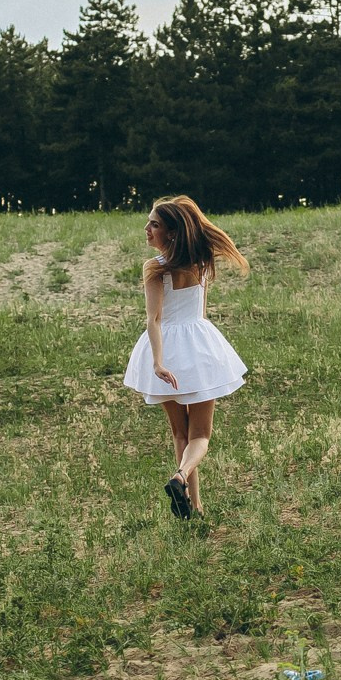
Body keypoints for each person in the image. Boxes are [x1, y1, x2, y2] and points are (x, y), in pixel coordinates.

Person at [121, 194, 249, 519]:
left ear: (172, 232)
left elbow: (154, 320)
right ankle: (182, 481)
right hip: (200, 349)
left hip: (168, 349)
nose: (147, 229)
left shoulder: (155, 268)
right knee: (200, 435)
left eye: (154, 224)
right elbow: (200, 314)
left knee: (180, 433)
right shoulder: (203, 261)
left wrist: (158, 363)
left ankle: (193, 504)